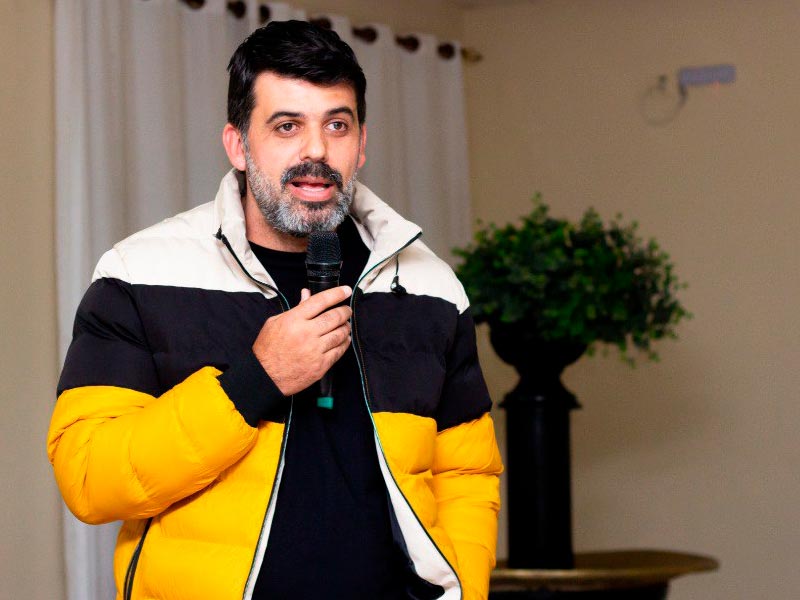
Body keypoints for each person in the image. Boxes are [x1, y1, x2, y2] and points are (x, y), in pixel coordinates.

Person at [48, 20, 502, 600]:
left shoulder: (429, 288)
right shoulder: (138, 275)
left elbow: (466, 473)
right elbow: (89, 477)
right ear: (238, 145)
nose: (316, 150)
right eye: (287, 126)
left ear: (362, 142)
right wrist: (253, 382)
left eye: (337, 125)